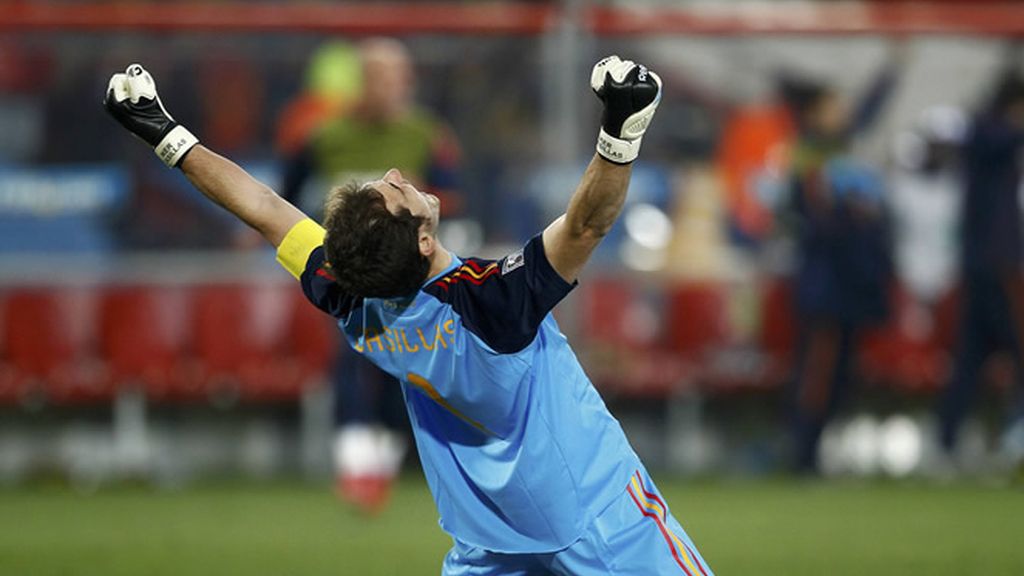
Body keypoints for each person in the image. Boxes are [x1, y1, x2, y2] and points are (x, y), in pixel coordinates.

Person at [104, 57, 714, 574]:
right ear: (422, 239)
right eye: (392, 190)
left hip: (490, 546)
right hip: (596, 520)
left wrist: (163, 133)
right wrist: (621, 131)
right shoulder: (487, 305)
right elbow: (587, 224)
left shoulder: (352, 300)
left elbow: (262, 207)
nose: (395, 174)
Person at [280, 38, 462, 513]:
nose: (393, 88)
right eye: (382, 77)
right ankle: (358, 469)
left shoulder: (426, 134)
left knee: (400, 366)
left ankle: (380, 464)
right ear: (362, 82)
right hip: (348, 270)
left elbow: (455, 194)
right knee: (351, 356)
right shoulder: (325, 136)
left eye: (400, 78)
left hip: (410, 275)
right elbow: (288, 192)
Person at [938, 72, 1024, 471]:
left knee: (970, 358)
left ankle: (947, 442)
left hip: (980, 263)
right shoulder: (991, 134)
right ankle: (1013, 438)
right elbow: (1001, 137)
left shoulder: (982, 135)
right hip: (999, 263)